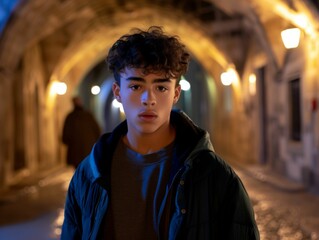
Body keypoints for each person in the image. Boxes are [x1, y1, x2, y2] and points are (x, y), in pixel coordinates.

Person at [61, 26, 260, 239]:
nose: (149, 99)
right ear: (118, 92)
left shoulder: (215, 177)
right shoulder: (89, 175)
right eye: (136, 87)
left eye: (161, 88)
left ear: (175, 93)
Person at [62, 96, 101, 168]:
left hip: (75, 151)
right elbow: (97, 130)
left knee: (77, 168)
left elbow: (66, 134)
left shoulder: (70, 117)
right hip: (88, 148)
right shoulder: (88, 116)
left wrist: (67, 141)